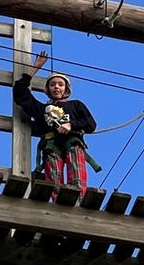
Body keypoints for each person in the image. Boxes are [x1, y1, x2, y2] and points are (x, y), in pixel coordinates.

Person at [13, 52, 98, 194]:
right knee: (53, 181)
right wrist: (35, 68)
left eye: (60, 84)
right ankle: (57, 199)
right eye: (52, 84)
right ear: (47, 89)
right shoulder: (42, 110)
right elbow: (20, 91)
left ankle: (77, 196)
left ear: (66, 89)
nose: (56, 87)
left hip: (72, 141)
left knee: (76, 169)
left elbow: (90, 124)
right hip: (51, 145)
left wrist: (71, 125)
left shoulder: (75, 105)